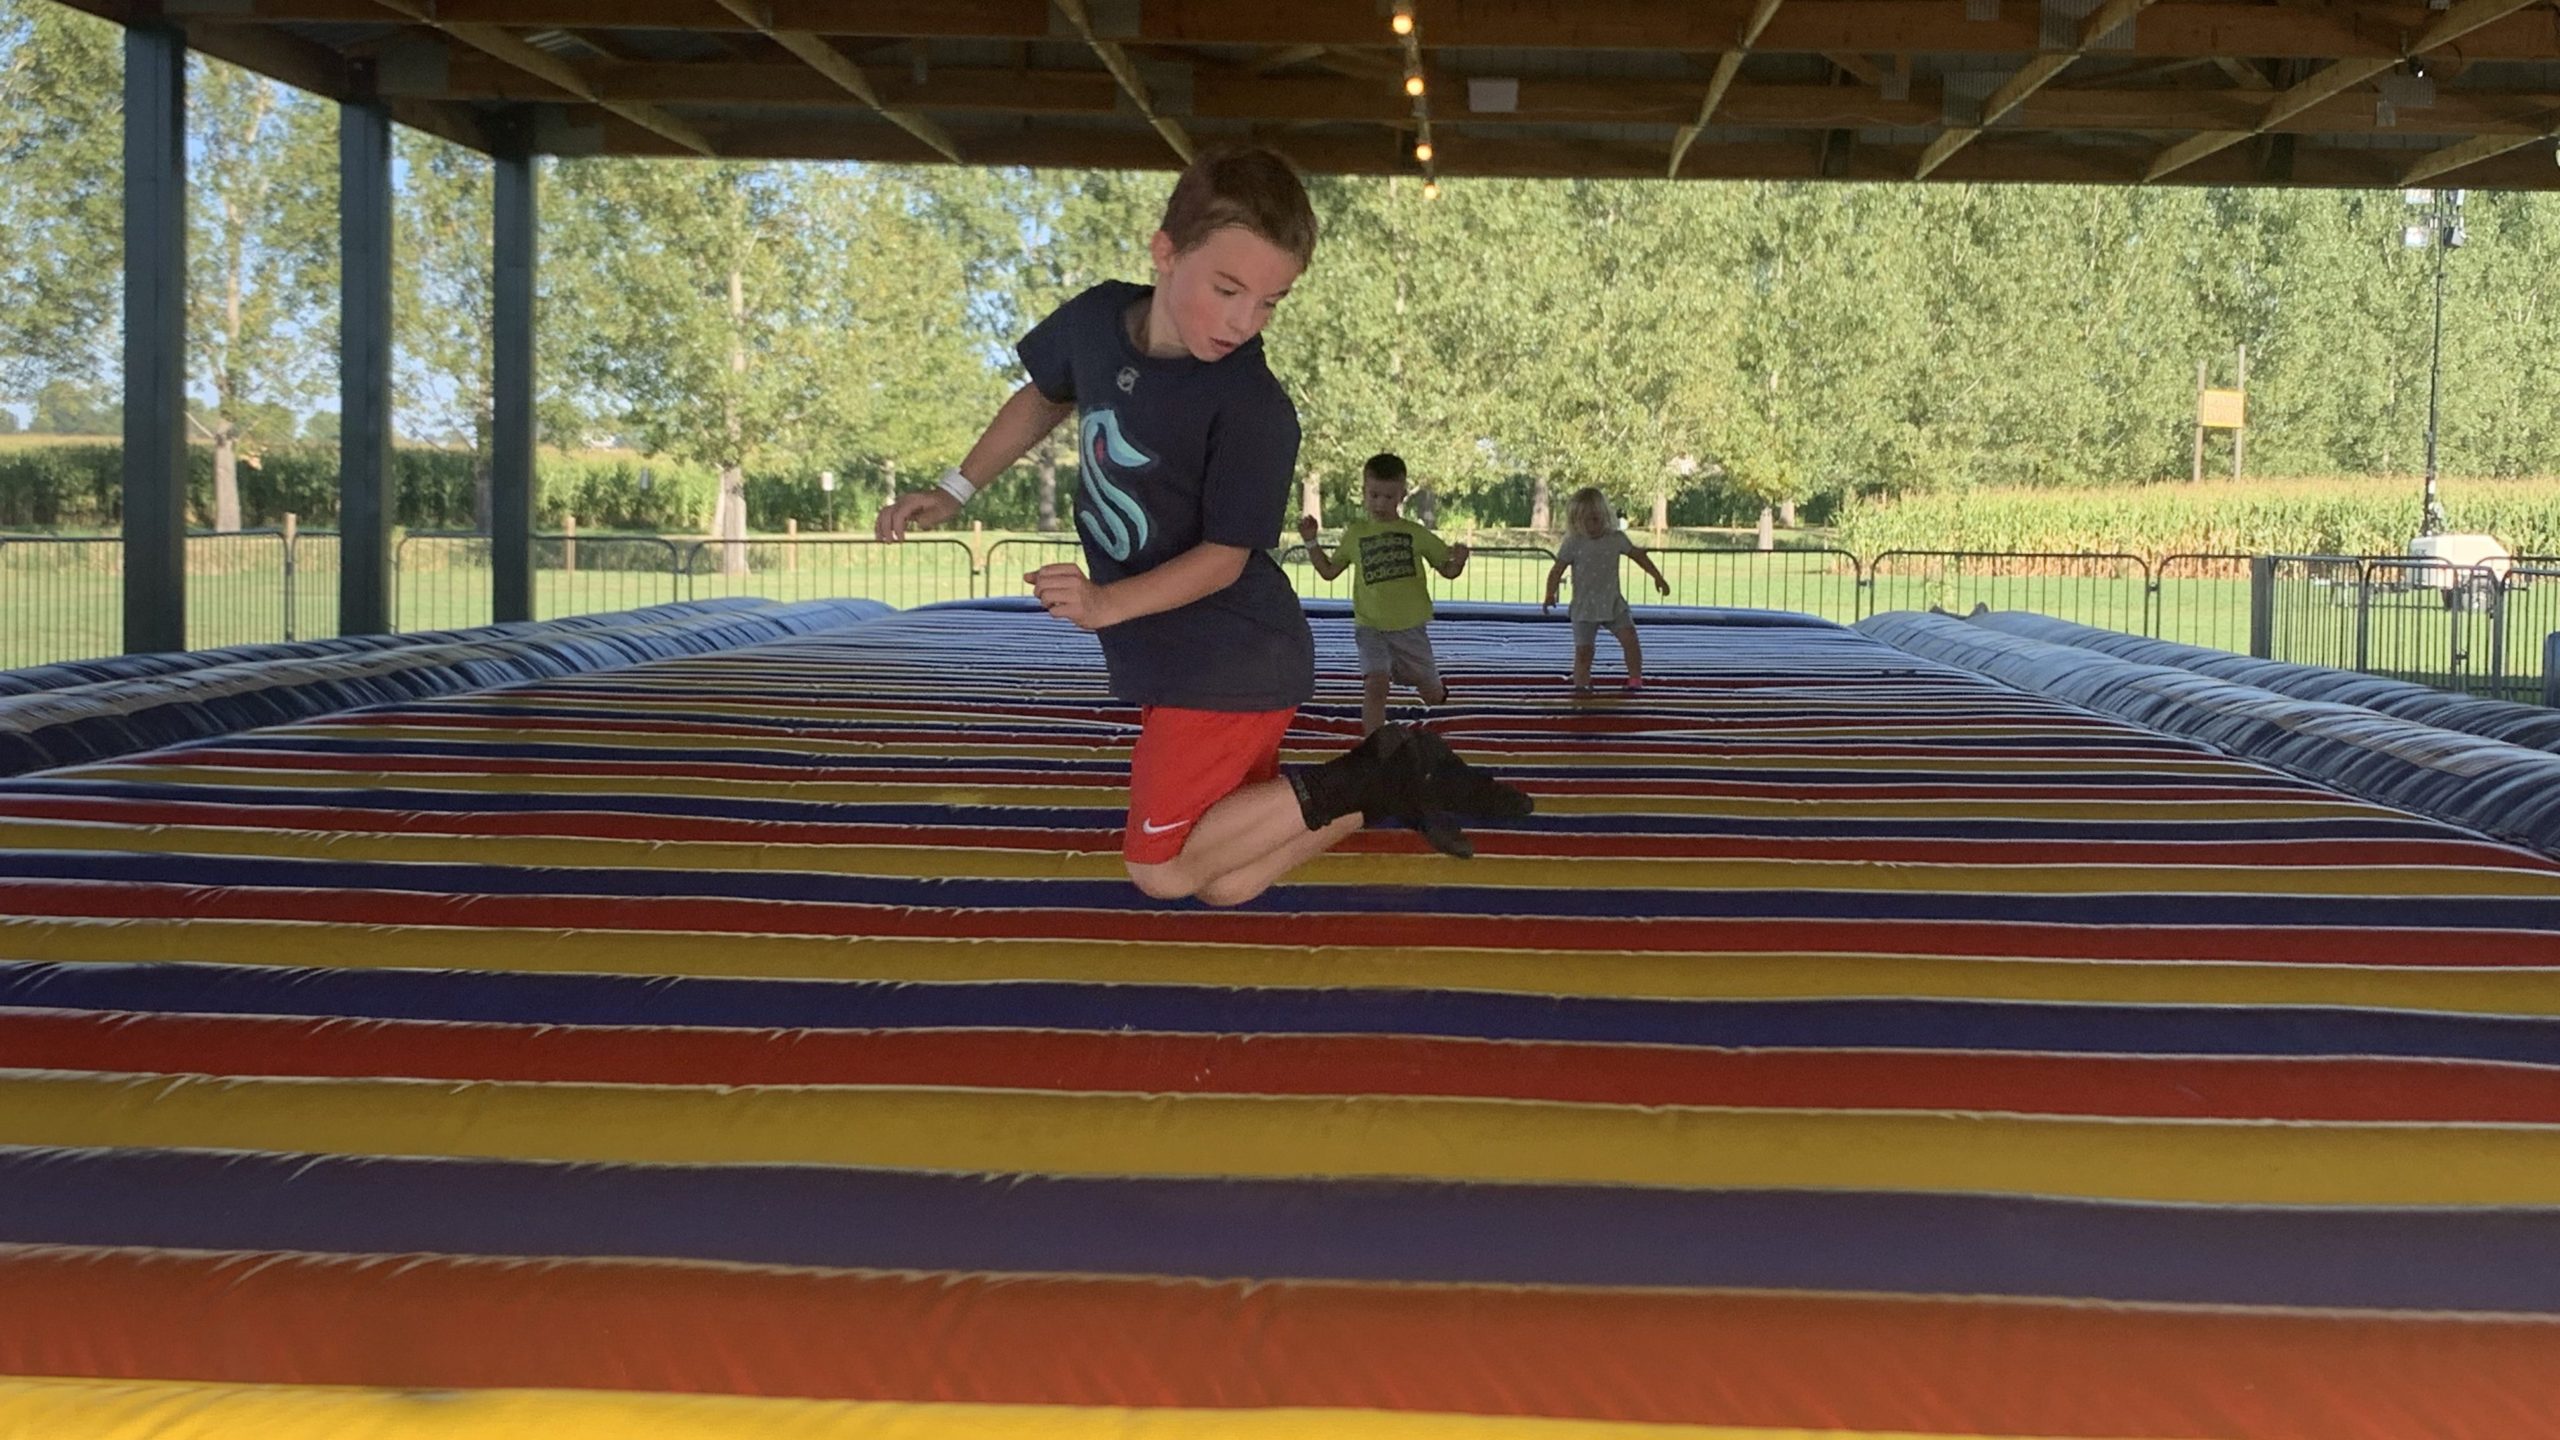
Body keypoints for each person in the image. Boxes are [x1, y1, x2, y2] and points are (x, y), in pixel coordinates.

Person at [874, 148, 1530, 900]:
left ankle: (1385, 765)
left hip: (1228, 656)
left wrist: (1105, 602)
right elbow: (1045, 394)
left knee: (1159, 870)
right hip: (1176, 654)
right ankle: (1375, 792)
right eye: (1227, 289)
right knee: (1226, 881)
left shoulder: (1252, 407)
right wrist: (956, 488)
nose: (1244, 321)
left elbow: (1223, 558)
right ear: (1165, 252)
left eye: (1270, 302)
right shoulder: (1094, 320)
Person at [1297, 452, 1469, 734]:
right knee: (1375, 685)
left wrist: (1459, 559)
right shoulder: (1355, 534)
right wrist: (1311, 542)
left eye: (1388, 497)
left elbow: (1447, 571)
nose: (1380, 503)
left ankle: (1438, 692)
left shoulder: (1415, 532)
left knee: (1430, 693)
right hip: (1371, 628)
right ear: (1363, 492)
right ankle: (1374, 748)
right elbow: (1329, 572)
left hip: (1410, 629)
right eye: (1374, 495)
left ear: (1402, 495)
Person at [1543, 485, 1670, 695]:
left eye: (1598, 518)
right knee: (1584, 651)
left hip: (1613, 603)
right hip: (1585, 607)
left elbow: (1639, 555)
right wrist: (1550, 593)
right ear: (1576, 522)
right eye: (1588, 520)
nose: (1595, 524)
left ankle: (1635, 680)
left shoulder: (1615, 539)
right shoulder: (1573, 543)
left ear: (1606, 515)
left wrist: (1657, 577)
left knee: (1631, 640)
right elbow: (1557, 570)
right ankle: (1581, 685)